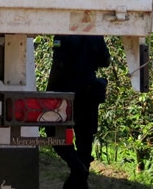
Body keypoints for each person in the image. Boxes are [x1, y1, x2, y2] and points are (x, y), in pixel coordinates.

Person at [47, 34, 111, 189]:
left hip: (65, 93)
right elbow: (105, 61)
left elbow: (58, 65)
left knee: (53, 132)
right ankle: (80, 178)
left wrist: (49, 91)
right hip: (89, 92)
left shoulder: (63, 34)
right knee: (85, 138)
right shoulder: (96, 36)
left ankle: (78, 170)